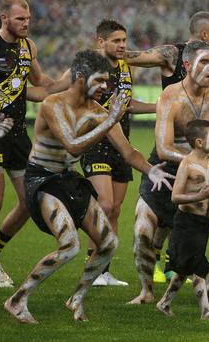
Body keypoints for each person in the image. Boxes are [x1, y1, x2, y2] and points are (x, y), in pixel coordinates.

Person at [4, 50, 172, 323]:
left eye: (108, 82)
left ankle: (77, 298)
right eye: (101, 81)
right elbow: (72, 144)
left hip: (69, 179)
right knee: (69, 245)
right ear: (80, 78)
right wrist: (109, 120)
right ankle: (17, 299)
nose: (106, 87)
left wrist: (151, 170)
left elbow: (128, 153)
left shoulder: (98, 111)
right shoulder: (53, 104)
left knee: (108, 243)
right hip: (42, 179)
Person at [128, 40, 209, 306]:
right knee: (143, 231)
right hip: (164, 171)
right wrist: (198, 163)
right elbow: (164, 147)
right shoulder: (170, 96)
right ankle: (146, 291)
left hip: (203, 176)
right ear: (188, 65)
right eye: (204, 62)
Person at [81, 19, 156, 287]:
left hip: (122, 145)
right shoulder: (89, 67)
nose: (122, 45)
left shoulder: (125, 68)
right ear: (100, 42)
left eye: (124, 40)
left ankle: (104, 270)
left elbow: (127, 104)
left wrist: (159, 107)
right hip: (95, 145)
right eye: (116, 41)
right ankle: (92, 265)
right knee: (106, 204)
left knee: (115, 211)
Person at [0, 0, 58, 287]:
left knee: (28, 201)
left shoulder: (28, 47)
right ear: (4, 17)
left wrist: (71, 83)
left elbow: (38, 86)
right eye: (21, 19)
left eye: (29, 19)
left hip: (18, 134)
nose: (26, 24)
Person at [156, 119, 209, 320]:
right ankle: (206, 311)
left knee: (184, 270)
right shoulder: (187, 164)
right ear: (200, 142)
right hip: (186, 222)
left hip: (202, 223)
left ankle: (164, 303)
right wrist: (198, 197)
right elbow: (175, 196)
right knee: (199, 268)